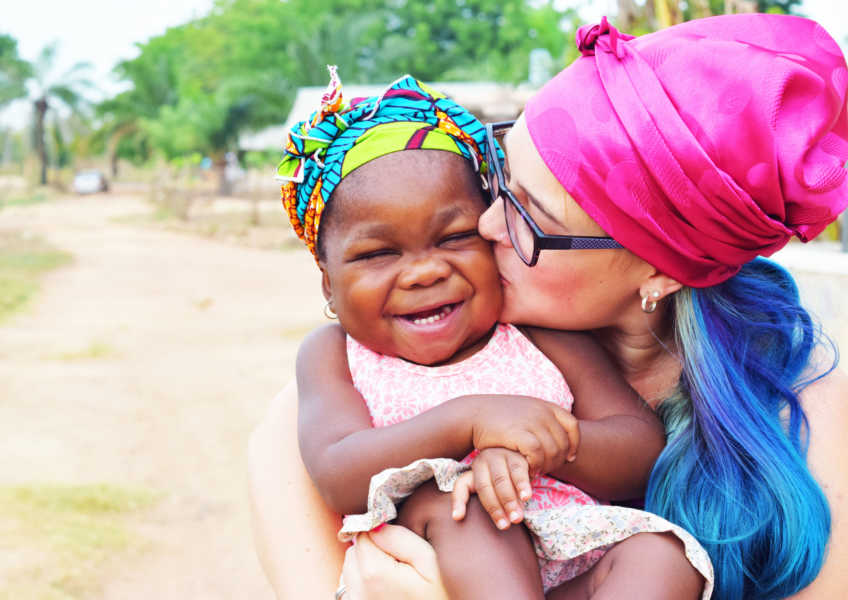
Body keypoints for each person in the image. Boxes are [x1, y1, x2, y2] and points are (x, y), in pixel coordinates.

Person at [248, 13, 848, 600]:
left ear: (660, 271)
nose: (490, 224)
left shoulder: (804, 419)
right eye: (501, 183)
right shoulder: (338, 395)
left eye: (532, 215)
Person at [271, 68, 712, 599]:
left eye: (455, 237)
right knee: (454, 503)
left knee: (661, 555)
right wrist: (471, 421)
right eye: (377, 253)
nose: (423, 272)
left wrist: (540, 446)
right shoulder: (336, 354)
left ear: (489, 232)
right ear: (327, 279)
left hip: (572, 559)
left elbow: (641, 450)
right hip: (437, 565)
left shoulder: (531, 333)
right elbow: (338, 472)